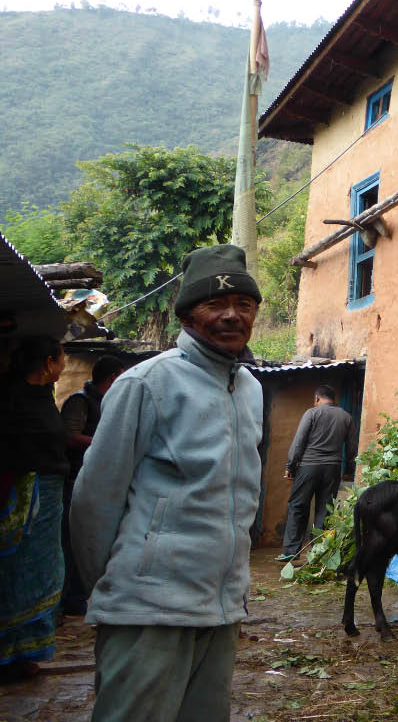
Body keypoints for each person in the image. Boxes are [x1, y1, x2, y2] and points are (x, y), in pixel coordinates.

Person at [72, 245, 263, 722]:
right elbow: (95, 498)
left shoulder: (252, 389)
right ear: (186, 315)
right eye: (215, 304)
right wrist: (115, 587)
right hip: (147, 609)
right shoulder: (146, 383)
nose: (232, 315)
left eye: (244, 304)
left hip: (220, 610)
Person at [0, 336, 68, 681]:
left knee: (45, 569)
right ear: (48, 363)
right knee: (18, 570)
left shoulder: (43, 396)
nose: (64, 364)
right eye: (61, 358)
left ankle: (27, 650)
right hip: (24, 496)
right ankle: (8, 653)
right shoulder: (12, 398)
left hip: (49, 495)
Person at [60, 355, 126, 617]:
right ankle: (69, 600)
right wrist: (104, 442)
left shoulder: (107, 402)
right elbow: (69, 436)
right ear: (112, 378)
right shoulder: (81, 401)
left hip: (98, 481)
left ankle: (79, 597)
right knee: (71, 541)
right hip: (74, 479)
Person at [278, 384, 356, 562]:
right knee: (325, 510)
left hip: (309, 466)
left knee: (298, 506)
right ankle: (319, 554)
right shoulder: (347, 417)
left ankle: (291, 551)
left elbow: (299, 441)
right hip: (333, 469)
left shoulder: (312, 413)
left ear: (317, 398)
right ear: (333, 399)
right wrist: (348, 471)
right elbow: (351, 448)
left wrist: (290, 466)